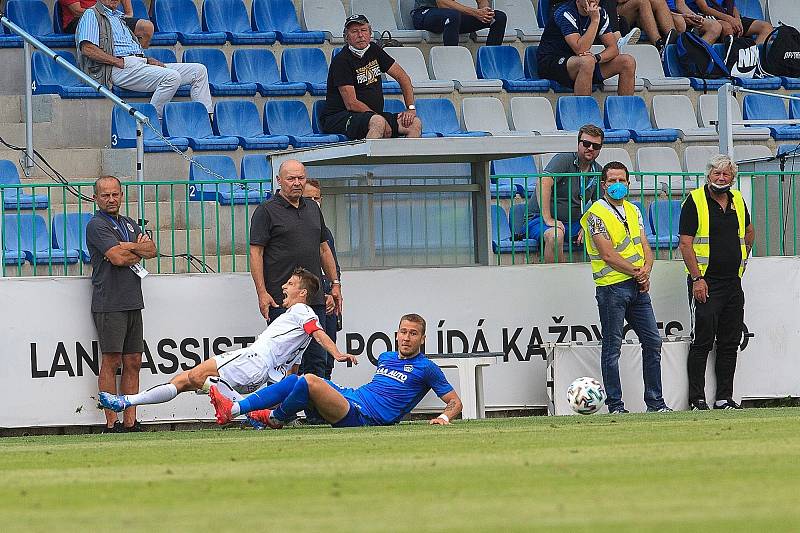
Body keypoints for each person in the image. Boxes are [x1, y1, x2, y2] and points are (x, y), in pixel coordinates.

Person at [98, 268, 358, 414]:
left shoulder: (302, 311)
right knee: (183, 381)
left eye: (290, 283)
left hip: (253, 360)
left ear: (302, 292)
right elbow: (291, 371)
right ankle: (127, 402)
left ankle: (230, 403)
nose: (284, 287)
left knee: (195, 377)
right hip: (262, 373)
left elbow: (318, 332)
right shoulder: (297, 327)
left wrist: (336, 354)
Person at [210, 314, 463, 429]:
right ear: (396, 335)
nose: (406, 338)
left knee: (309, 380)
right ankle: (235, 409)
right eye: (403, 332)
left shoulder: (427, 368)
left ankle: (274, 417)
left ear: (423, 339)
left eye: (413, 333)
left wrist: (443, 418)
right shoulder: (385, 357)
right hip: (351, 397)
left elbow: (455, 402)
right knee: (297, 381)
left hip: (364, 417)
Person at [249, 160, 341, 424]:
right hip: (282, 301)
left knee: (317, 361)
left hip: (314, 300)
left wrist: (334, 285)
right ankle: (264, 414)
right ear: (279, 180)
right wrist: (262, 292)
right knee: (277, 364)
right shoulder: (266, 211)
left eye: (301, 178)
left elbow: (324, 249)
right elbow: (256, 253)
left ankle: (317, 416)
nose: (297, 183)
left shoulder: (313, 208)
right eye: (291, 179)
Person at [579, 162, 671, 414]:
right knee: (613, 347)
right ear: (603, 184)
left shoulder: (633, 210)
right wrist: (638, 273)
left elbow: (644, 245)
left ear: (629, 183)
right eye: (612, 181)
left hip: (637, 286)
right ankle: (616, 405)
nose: (617, 185)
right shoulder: (596, 213)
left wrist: (646, 271)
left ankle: (655, 403)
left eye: (622, 180)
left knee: (652, 341)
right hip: (612, 287)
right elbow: (607, 254)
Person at [678, 155, 755, 410]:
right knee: (702, 341)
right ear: (708, 175)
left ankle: (724, 397)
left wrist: (741, 258)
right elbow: (685, 243)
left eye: (726, 175)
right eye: (716, 174)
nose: (721, 178)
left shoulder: (738, 200)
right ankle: (697, 399)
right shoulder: (695, 201)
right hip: (706, 283)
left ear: (732, 178)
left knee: (729, 342)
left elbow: (749, 231)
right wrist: (697, 278)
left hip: (733, 283)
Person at [86, 175, 156, 432]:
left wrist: (126, 247)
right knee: (112, 360)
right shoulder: (96, 225)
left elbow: (152, 250)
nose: (111, 199)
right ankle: (111, 422)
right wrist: (133, 248)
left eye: (115, 194)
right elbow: (116, 258)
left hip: (133, 300)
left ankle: (130, 420)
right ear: (96, 198)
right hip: (109, 302)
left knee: (134, 361)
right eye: (105, 195)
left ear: (121, 195)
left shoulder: (128, 223)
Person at [75, 0, 212, 119]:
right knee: (172, 77)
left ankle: (206, 120)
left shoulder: (118, 17)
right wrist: (116, 61)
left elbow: (127, 48)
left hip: (139, 63)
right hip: (117, 68)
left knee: (199, 71)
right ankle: (152, 122)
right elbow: (87, 48)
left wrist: (146, 59)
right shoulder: (91, 14)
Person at [321, 14, 422, 140]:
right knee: (378, 122)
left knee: (414, 123)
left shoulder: (374, 50)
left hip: (371, 115)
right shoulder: (341, 60)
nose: (360, 35)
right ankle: (368, 160)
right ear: (346, 37)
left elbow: (403, 77)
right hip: (341, 117)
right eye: (354, 32)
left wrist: (410, 108)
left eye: (363, 30)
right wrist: (381, 119)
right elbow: (351, 104)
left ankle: (405, 159)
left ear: (370, 34)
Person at [524, 124, 604, 263]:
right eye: (586, 143)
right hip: (539, 219)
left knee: (604, 233)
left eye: (596, 146)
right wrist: (548, 219)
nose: (590, 148)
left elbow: (601, 205)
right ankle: (556, 280)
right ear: (578, 143)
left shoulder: (597, 170)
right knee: (555, 235)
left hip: (574, 222)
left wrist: (588, 224)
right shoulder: (564, 160)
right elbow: (543, 182)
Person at [537, 0, 637, 96]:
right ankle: (583, 111)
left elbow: (613, 49)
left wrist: (596, 58)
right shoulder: (565, 12)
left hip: (580, 62)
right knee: (586, 62)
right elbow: (580, 49)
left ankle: (626, 111)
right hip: (552, 62)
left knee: (627, 62)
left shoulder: (601, 13)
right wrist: (594, 21)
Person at [303, 179, 341, 381]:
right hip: (311, 302)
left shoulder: (325, 232)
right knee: (308, 357)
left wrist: (334, 291)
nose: (312, 202)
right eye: (307, 198)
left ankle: (326, 401)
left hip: (328, 303)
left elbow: (333, 265)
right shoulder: (299, 231)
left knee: (328, 357)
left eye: (315, 198)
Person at [58, 0, 154, 48]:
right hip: (80, 19)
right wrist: (106, 15)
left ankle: (138, 60)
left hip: (108, 17)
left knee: (146, 27)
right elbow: (76, 11)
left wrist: (128, 13)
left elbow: (123, 11)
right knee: (107, 27)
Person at [410, 0, 508, 46]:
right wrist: (476, 13)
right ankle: (452, 60)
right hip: (424, 14)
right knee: (452, 15)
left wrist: (485, 11)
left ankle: (491, 63)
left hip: (451, 16)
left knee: (498, 17)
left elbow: (482, 1)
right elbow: (443, 3)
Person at [687, 0, 773, 44]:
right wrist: (729, 19)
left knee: (766, 27)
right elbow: (704, 8)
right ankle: (731, 62)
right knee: (728, 27)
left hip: (728, 15)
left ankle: (753, 60)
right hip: (708, 16)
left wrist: (737, 19)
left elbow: (733, 7)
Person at [616, 0, 680, 50]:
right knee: (642, 2)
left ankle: (673, 43)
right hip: (615, 15)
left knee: (659, 2)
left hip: (634, 11)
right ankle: (659, 44)